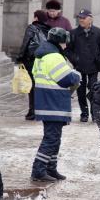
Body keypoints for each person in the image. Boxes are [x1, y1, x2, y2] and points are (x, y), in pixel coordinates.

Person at [30, 27, 81, 182]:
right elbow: (67, 79)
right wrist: (76, 75)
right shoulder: (53, 56)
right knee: (51, 138)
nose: (66, 45)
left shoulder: (42, 55)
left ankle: (50, 168)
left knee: (54, 138)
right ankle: (39, 170)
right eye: (65, 42)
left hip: (47, 102)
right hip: (53, 103)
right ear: (60, 42)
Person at [65, 9, 100, 123]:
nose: (81, 20)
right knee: (81, 91)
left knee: (94, 90)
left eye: (83, 18)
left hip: (93, 67)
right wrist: (75, 59)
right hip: (79, 67)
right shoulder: (73, 33)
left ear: (90, 19)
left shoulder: (98, 32)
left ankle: (94, 113)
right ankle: (84, 113)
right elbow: (68, 50)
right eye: (80, 18)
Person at [16, 10, 51, 120]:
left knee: (31, 86)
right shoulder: (48, 29)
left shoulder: (31, 28)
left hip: (31, 61)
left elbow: (25, 43)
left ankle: (32, 111)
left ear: (36, 18)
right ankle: (41, 110)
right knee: (40, 85)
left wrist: (20, 57)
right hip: (43, 61)